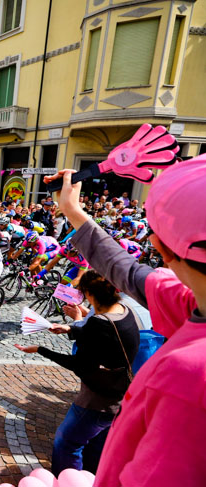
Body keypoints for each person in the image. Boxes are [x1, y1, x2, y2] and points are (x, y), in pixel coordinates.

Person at [44, 160, 206, 486]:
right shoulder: (189, 299)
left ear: (160, 249)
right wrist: (73, 212)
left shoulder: (188, 374)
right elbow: (128, 272)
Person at [14, 270, 140, 476]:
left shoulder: (98, 323)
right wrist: (70, 329)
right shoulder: (124, 310)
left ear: (90, 294)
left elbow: (79, 364)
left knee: (67, 442)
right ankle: (91, 476)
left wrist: (40, 349)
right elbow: (104, 336)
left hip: (97, 399)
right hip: (120, 391)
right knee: (96, 441)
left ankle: (68, 479)